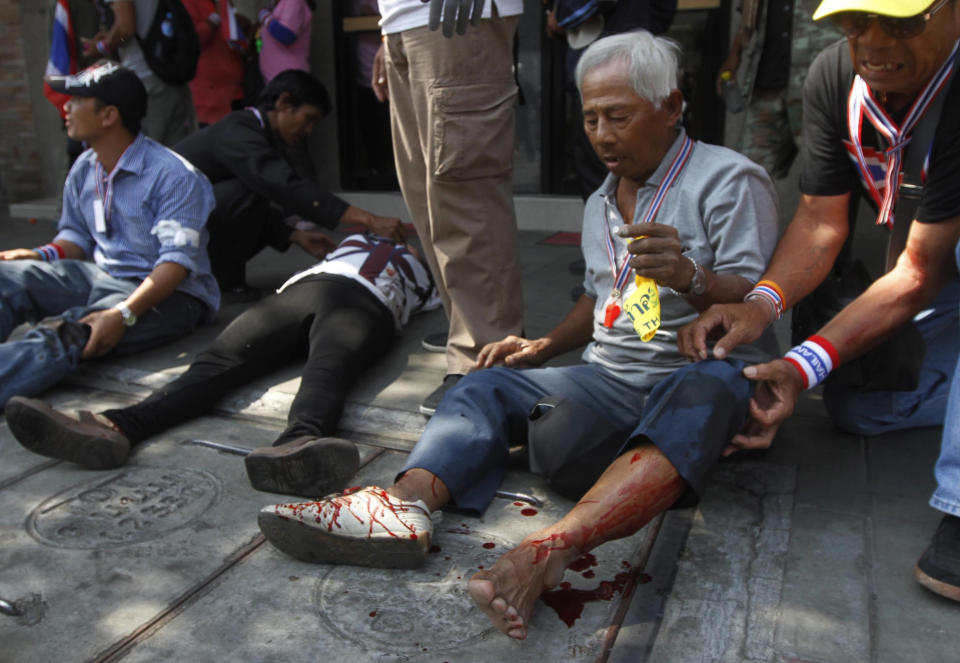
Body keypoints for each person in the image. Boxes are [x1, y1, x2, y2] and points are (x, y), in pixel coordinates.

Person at [256, 31, 779, 640]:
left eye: (619, 115)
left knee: (711, 388)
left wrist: (693, 278)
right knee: (483, 384)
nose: (602, 134)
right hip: (611, 381)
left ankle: (550, 549)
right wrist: (542, 347)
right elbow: (600, 296)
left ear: (670, 104)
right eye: (590, 118)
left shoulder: (729, 180)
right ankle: (404, 505)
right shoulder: (600, 203)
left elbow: (757, 295)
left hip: (691, 380)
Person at [679, 0, 960, 601]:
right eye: (856, 22)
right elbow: (819, 223)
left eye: (902, 22)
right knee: (859, 411)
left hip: (941, 267)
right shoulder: (836, 75)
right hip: (934, 278)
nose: (875, 43)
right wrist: (759, 306)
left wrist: (803, 363)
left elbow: (920, 270)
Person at [5, 233, 440, 498]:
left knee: (330, 365)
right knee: (217, 361)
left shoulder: (430, 276)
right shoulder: (349, 242)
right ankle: (116, 427)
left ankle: (298, 447)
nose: (407, 235)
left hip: (368, 303)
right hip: (304, 290)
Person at [0, 61, 217, 411]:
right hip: (102, 276)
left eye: (77, 100)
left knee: (74, 333)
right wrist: (38, 255)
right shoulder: (85, 168)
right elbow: (76, 237)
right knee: (7, 277)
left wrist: (123, 314)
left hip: (169, 295)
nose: (65, 107)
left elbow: (175, 265)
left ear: (108, 116)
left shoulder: (174, 175)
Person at [372, 0, 527, 415]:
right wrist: (391, 27)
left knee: (465, 195)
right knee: (427, 197)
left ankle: (487, 351)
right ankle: (469, 327)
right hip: (407, 21)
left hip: (458, 19)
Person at [172, 69, 406, 296]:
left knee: (256, 187)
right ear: (284, 102)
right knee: (251, 188)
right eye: (308, 119)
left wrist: (292, 235)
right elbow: (282, 186)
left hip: (183, 224)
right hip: (164, 232)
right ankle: (218, 278)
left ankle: (217, 275)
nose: (308, 130)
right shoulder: (238, 130)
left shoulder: (256, 134)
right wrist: (370, 219)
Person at [717, 0, 839, 178]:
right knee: (746, 175)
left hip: (818, 87)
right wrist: (734, 56)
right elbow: (749, 12)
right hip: (767, 83)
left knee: (829, 176)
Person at [85, 0, 198, 146]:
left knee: (147, 157)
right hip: (168, 76)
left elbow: (125, 29)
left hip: (146, 83)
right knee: (177, 154)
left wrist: (102, 47)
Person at [182, 0, 247, 126]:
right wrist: (215, 19)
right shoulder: (188, 2)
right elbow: (192, 39)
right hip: (207, 98)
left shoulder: (223, 2)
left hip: (235, 92)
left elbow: (234, 39)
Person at [257, 0, 314, 84]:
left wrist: (263, 15)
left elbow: (286, 35)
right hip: (277, 81)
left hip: (288, 82)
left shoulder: (293, 2)